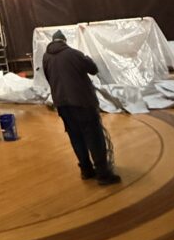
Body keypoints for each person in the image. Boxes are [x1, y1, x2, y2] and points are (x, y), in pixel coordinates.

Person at [42, 30, 121, 185]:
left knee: (76, 137)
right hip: (82, 102)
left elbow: (49, 78)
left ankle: (86, 170)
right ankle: (103, 174)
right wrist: (87, 59)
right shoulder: (74, 54)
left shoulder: (46, 57)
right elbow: (93, 69)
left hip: (62, 105)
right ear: (64, 41)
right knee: (94, 136)